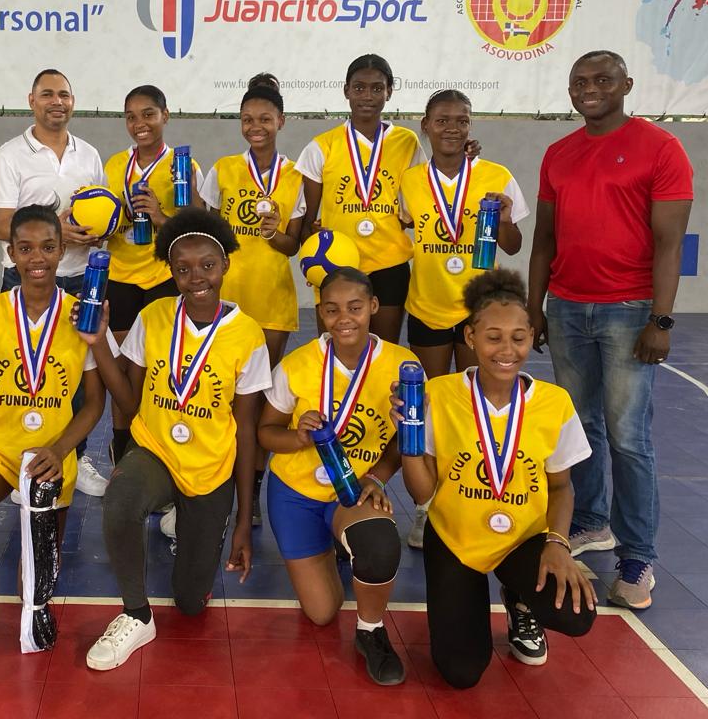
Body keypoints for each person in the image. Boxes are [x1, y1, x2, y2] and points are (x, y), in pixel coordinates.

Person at [528, 50, 693, 609]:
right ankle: (592, 520)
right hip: (568, 308)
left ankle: (638, 556)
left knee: (629, 437)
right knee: (581, 428)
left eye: (602, 79)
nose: (589, 88)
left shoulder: (661, 148)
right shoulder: (559, 153)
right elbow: (544, 239)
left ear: (627, 84)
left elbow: (670, 242)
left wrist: (660, 319)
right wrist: (536, 305)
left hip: (629, 310)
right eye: (580, 81)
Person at [0, 205, 118, 658]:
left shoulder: (79, 317)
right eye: (25, 248)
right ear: (10, 253)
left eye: (48, 247)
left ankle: (37, 599)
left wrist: (61, 447)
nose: (37, 258)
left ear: (62, 250)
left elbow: (95, 402)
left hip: (52, 453)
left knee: (34, 582)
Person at [392, 269, 596, 689]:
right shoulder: (440, 395)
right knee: (461, 672)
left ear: (531, 336)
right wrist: (409, 440)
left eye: (518, 337)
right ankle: (475, 604)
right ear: (470, 337)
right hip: (455, 537)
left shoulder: (554, 404)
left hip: (523, 539)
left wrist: (558, 545)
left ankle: (519, 598)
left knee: (576, 614)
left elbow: (560, 487)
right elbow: (423, 493)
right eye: (493, 336)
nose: (507, 349)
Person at [87, 209, 270, 672]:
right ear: (170, 272)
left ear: (225, 264)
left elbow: (246, 432)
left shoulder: (248, 336)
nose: (196, 278)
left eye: (207, 265)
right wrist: (97, 340)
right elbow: (127, 403)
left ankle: (189, 523)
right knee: (119, 501)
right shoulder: (154, 317)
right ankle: (136, 613)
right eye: (183, 269)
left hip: (210, 468)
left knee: (191, 602)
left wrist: (243, 521)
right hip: (156, 448)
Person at [257, 267, 411, 685]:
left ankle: (371, 632)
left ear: (374, 307)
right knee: (322, 613)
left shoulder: (403, 366)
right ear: (320, 313)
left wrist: (378, 475)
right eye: (331, 309)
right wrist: (299, 437)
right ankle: (336, 547)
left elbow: (404, 440)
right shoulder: (298, 364)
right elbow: (265, 434)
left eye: (355, 307)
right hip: (296, 492)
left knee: (379, 544)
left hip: (353, 489)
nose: (344, 318)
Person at [397, 89, 528, 548]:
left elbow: (511, 246)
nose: (453, 128)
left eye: (462, 120)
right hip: (428, 308)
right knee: (432, 406)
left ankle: (476, 494)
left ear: (471, 127)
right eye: (443, 120)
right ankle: (426, 506)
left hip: (481, 314)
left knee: (478, 405)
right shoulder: (410, 181)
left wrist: (507, 218)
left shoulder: (496, 177)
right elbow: (406, 233)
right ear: (426, 125)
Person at [0, 68, 109, 497]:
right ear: (31, 100)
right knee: (24, 374)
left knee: (76, 376)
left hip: (79, 277)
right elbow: (1, 223)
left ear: (72, 101)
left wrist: (96, 230)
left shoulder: (89, 154)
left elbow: (101, 213)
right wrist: (53, 229)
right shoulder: (9, 155)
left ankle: (78, 456)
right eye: (47, 94)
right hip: (25, 277)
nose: (56, 101)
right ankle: (22, 456)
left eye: (64, 94)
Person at [201, 73, 305, 523]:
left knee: (260, 402)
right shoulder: (223, 169)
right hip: (226, 299)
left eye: (265, 118)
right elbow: (205, 235)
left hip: (273, 302)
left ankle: (252, 490)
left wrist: (275, 232)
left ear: (280, 120)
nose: (255, 125)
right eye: (247, 119)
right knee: (221, 394)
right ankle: (217, 479)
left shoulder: (298, 176)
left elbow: (293, 245)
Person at [297, 54, 425, 343]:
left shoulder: (406, 142)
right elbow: (307, 220)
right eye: (359, 88)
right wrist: (311, 259)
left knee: (383, 352)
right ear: (346, 91)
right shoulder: (322, 146)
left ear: (389, 92)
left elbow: (422, 200)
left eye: (377, 88)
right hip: (335, 265)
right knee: (335, 352)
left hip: (389, 263)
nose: (368, 96)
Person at [104, 85, 198, 465]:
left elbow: (194, 229)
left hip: (163, 278)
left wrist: (159, 217)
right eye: (131, 116)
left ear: (165, 115)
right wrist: (112, 220)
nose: (139, 124)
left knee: (160, 370)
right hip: (122, 277)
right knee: (125, 372)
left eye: (148, 114)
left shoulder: (184, 165)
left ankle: (157, 448)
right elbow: (102, 226)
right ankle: (122, 447)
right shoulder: (113, 166)